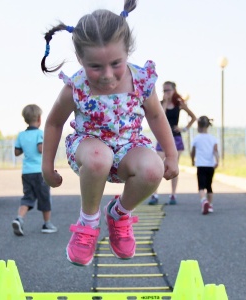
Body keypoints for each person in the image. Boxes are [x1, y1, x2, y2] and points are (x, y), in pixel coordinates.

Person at [41, 0, 179, 267]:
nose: (106, 75)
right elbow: (54, 122)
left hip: (129, 148)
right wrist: (47, 166)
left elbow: (155, 115)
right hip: (89, 147)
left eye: (116, 63)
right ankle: (88, 222)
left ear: (127, 51)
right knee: (98, 155)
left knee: (153, 169)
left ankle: (119, 214)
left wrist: (171, 154)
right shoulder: (77, 87)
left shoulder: (140, 80)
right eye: (95, 66)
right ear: (80, 59)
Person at [12, 104, 57, 236]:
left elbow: (16, 152)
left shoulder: (21, 135)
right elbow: (40, 149)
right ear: (39, 119)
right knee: (44, 197)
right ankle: (47, 223)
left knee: (28, 197)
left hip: (26, 172)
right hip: (39, 172)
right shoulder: (40, 134)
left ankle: (19, 219)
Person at [149, 81, 196, 205]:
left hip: (176, 137)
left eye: (168, 90)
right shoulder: (159, 104)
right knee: (157, 165)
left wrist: (184, 128)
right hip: (162, 138)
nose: (166, 93)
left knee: (174, 166)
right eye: (164, 90)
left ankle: (173, 194)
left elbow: (193, 117)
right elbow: (160, 117)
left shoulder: (179, 104)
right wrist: (164, 102)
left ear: (174, 90)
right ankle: (154, 194)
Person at [191, 116, 219, 215]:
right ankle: (210, 205)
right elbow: (215, 151)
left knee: (201, 186)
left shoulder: (197, 138)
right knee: (209, 186)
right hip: (210, 165)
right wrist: (217, 161)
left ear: (198, 126)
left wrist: (192, 160)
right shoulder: (213, 138)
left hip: (201, 165)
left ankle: (203, 200)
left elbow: (193, 151)